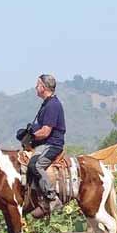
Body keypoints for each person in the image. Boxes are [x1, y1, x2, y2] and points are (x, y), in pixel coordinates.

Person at [24, 74, 66, 217]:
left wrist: (31, 136)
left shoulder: (52, 105)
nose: (35, 87)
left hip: (52, 144)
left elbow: (46, 131)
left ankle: (52, 198)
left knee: (36, 165)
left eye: (37, 85)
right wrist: (27, 134)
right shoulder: (46, 104)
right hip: (43, 144)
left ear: (43, 87)